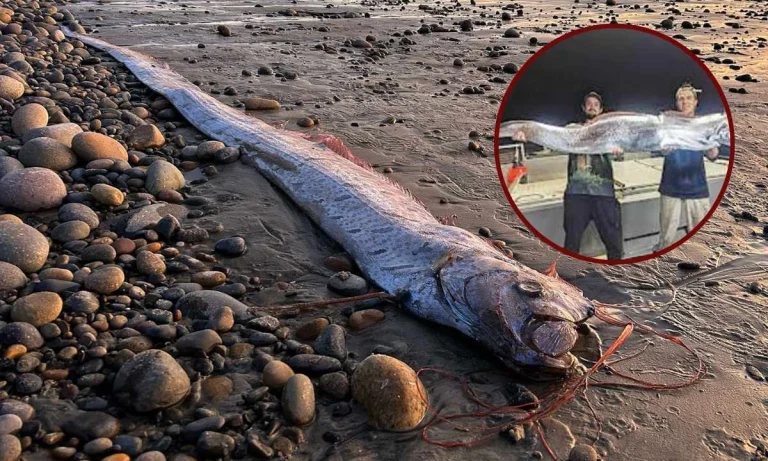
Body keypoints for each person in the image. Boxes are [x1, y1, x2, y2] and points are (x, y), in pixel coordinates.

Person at [511, 91, 624, 260]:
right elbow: (550, 138)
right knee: (571, 244)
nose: (592, 106)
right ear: (583, 108)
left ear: (601, 109)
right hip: (576, 195)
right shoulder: (572, 129)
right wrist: (526, 134)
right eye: (589, 104)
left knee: (614, 244)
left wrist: (618, 150)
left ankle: (616, 275)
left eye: (596, 104)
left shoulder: (609, 131)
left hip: (604, 194)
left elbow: (620, 154)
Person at [657, 83, 720, 249]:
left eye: (688, 98)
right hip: (670, 187)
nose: (684, 102)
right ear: (676, 103)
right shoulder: (668, 125)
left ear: (696, 101)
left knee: (701, 240)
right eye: (680, 99)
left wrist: (708, 141)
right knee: (666, 239)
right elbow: (662, 151)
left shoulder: (705, 125)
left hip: (697, 188)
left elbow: (713, 155)